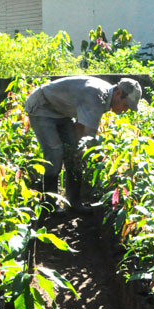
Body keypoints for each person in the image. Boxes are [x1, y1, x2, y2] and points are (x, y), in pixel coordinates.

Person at [24, 76, 142, 212]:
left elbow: (81, 129)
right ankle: (50, 204)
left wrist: (80, 152)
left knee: (74, 154)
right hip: (42, 107)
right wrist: (95, 157)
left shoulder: (105, 95)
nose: (125, 110)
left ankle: (74, 203)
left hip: (62, 112)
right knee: (55, 153)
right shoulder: (95, 95)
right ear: (119, 93)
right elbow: (85, 133)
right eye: (126, 105)